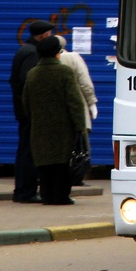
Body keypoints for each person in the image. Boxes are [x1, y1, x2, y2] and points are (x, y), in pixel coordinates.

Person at [21, 35, 87, 205]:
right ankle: (61, 196)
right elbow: (74, 101)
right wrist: (80, 126)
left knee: (44, 164)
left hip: (39, 127)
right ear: (57, 53)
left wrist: (35, 118)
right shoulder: (64, 72)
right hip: (62, 127)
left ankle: (46, 195)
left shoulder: (32, 74)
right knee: (62, 164)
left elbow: (26, 102)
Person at [8, 19, 54, 203]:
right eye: (49, 34)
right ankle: (26, 191)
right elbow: (29, 84)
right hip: (30, 113)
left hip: (24, 111)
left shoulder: (25, 49)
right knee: (29, 151)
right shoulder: (33, 54)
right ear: (43, 35)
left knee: (24, 150)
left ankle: (22, 190)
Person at [56, 35, 98, 170]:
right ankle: (77, 172)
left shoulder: (39, 61)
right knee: (80, 144)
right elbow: (85, 83)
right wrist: (91, 102)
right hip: (76, 109)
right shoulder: (73, 58)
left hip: (54, 113)